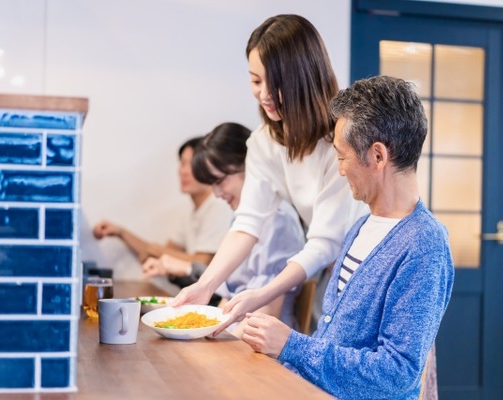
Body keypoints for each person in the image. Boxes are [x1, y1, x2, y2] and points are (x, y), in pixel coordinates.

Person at [240, 76, 455, 400]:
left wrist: (290, 345)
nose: (340, 170)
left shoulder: (425, 245)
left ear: (378, 156)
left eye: (342, 157)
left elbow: (396, 374)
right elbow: (332, 340)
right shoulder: (360, 227)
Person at [172, 14, 365, 332]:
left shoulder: (340, 139)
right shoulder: (264, 142)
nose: (262, 94)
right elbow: (247, 223)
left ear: (303, 77)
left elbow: (325, 243)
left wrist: (263, 294)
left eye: (272, 82)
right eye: (255, 80)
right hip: (334, 266)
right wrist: (205, 286)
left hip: (368, 263)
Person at [141, 122, 306, 337]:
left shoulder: (279, 219)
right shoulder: (242, 218)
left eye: (219, 181)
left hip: (261, 344)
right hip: (236, 332)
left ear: (249, 165)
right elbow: (230, 298)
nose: (217, 193)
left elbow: (267, 313)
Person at [92, 137, 233, 267]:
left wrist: (155, 250)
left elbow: (201, 263)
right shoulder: (191, 211)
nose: (183, 171)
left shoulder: (218, 205)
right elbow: (159, 254)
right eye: (182, 163)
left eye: (191, 165)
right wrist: (121, 232)